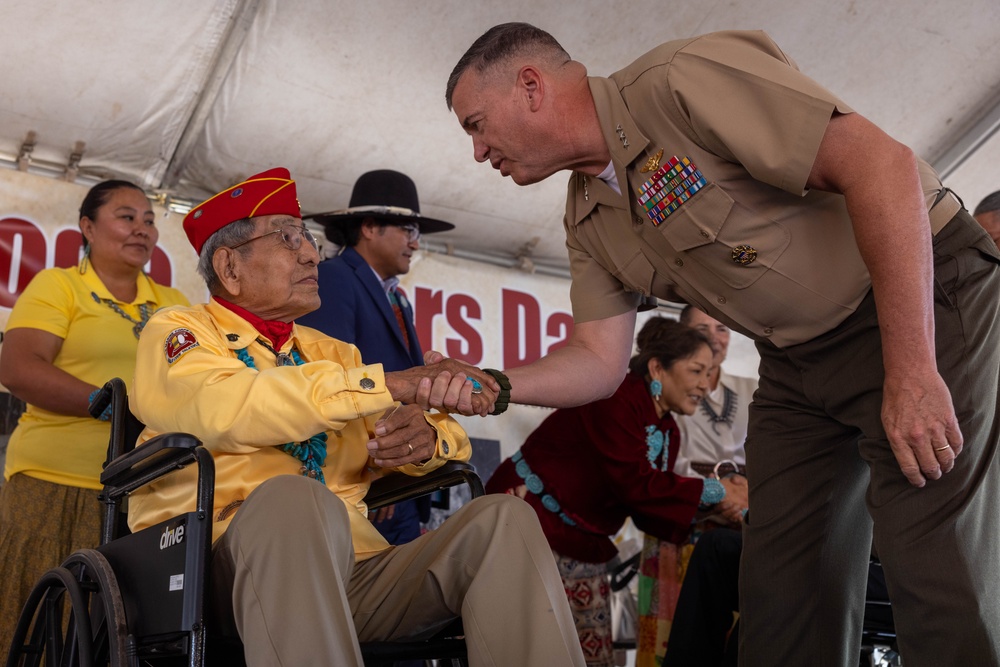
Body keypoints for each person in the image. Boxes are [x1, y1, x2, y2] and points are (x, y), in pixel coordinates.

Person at [445, 23, 1000, 666]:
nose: (479, 153)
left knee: (936, 566)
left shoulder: (680, 81)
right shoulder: (586, 216)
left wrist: (912, 367)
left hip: (916, 297)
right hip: (795, 359)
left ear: (532, 86)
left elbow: (883, 165)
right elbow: (598, 362)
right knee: (779, 587)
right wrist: (495, 382)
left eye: (477, 125)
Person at [126, 167, 585, 667]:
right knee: (292, 499)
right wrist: (387, 383)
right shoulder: (180, 330)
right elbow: (222, 406)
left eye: (308, 238)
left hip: (352, 568)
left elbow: (404, 426)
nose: (310, 253)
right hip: (215, 565)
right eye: (287, 237)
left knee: (502, 520)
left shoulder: (333, 353)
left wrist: (427, 437)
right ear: (229, 266)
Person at [485, 317, 748, 666]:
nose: (704, 384)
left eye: (708, 373)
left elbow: (648, 508)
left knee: (592, 658)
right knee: (533, 652)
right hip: (530, 521)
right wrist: (716, 492)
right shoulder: (616, 399)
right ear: (658, 368)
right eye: (697, 371)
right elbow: (634, 482)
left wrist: (711, 511)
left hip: (582, 543)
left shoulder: (669, 429)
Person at [0, 180, 189, 660]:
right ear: (87, 226)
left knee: (113, 633)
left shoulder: (174, 302)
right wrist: (107, 404)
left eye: (149, 220)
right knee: (36, 617)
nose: (142, 229)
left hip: (143, 491)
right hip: (52, 481)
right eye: (127, 217)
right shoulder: (59, 285)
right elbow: (19, 368)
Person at [299, 169, 455, 547]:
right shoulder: (334, 278)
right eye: (408, 230)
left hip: (398, 473)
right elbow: (328, 376)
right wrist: (369, 465)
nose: (415, 244)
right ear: (369, 227)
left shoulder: (397, 297)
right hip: (367, 479)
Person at [673, 305, 757, 478]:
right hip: (690, 490)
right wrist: (714, 492)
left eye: (721, 329)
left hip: (749, 493)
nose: (713, 338)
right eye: (702, 329)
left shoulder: (755, 390)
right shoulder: (668, 389)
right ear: (682, 333)